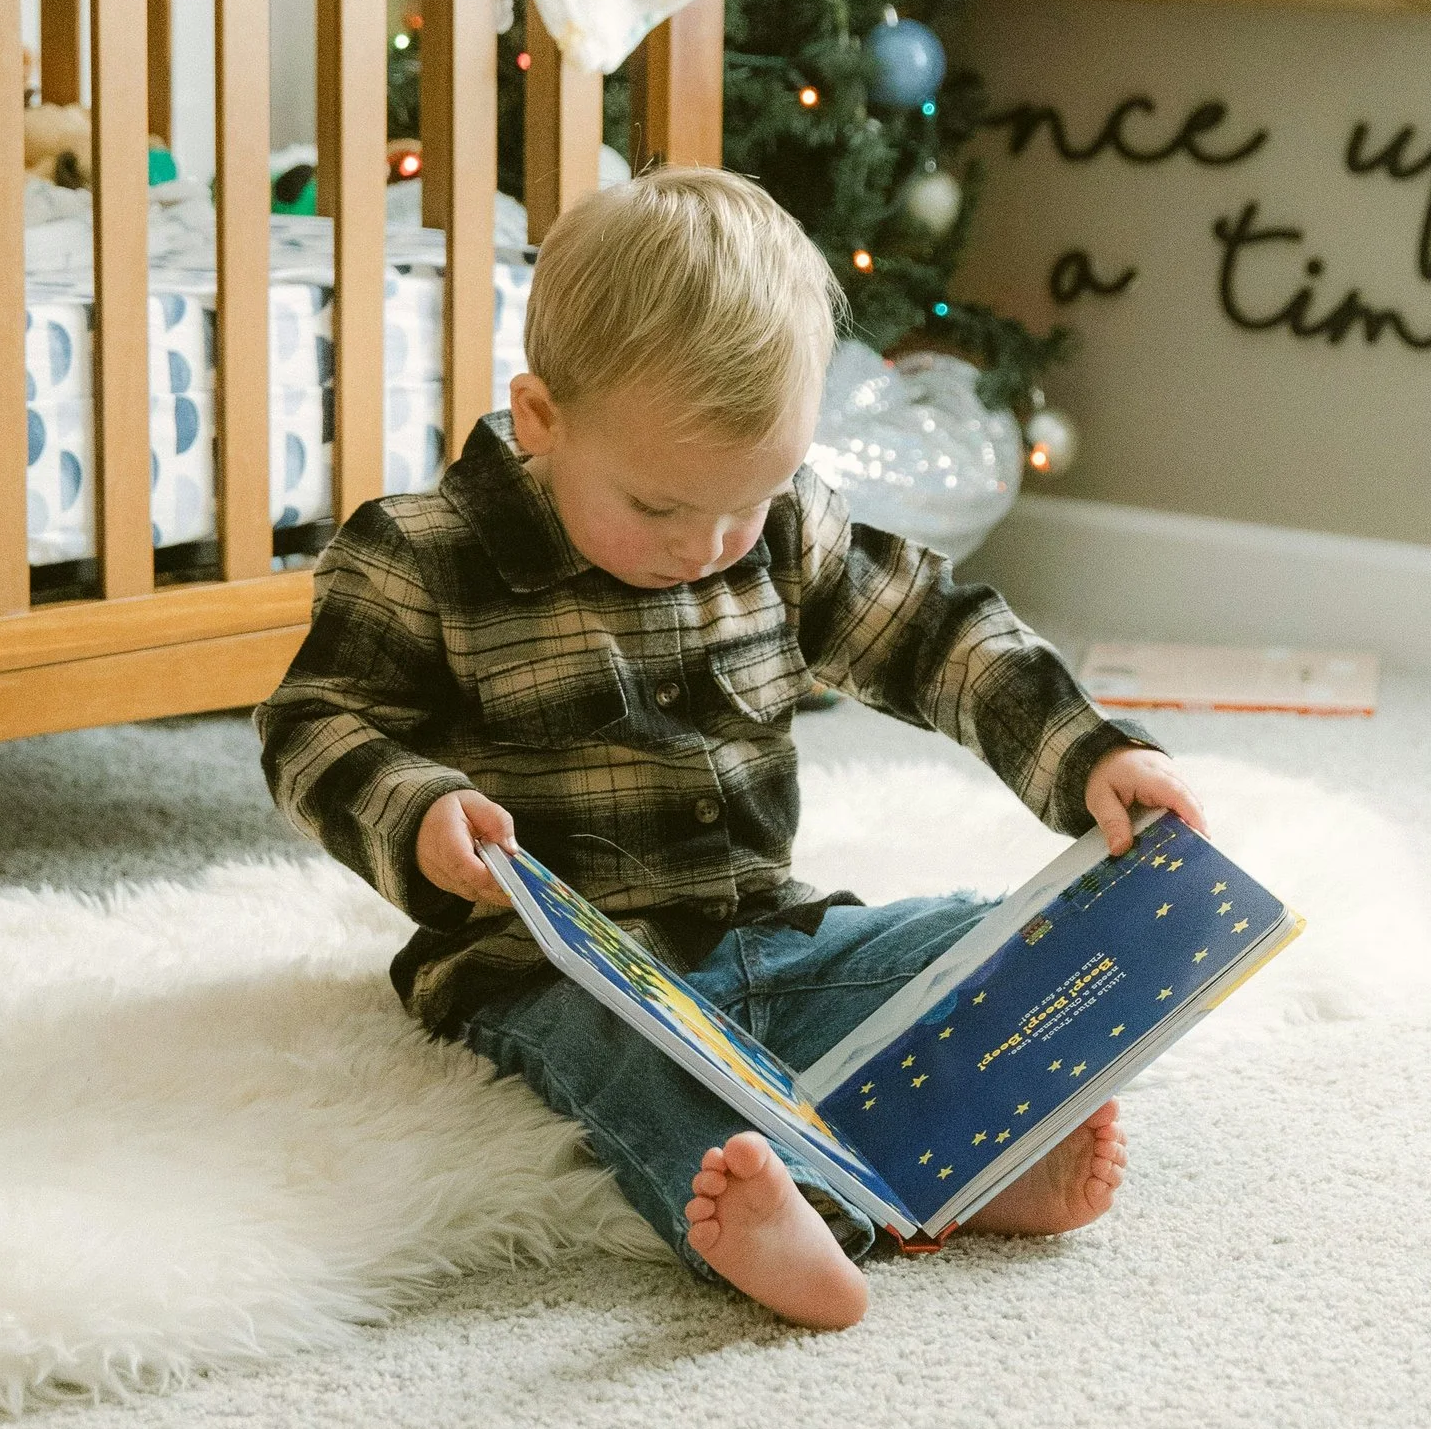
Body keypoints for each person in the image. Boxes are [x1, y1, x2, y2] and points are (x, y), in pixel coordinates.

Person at [258, 169, 1201, 1333]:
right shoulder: (422, 555)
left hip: (772, 937)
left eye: (744, 503)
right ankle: (783, 1207)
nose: (706, 546)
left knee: (998, 940)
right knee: (632, 1068)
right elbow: (316, 723)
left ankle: (969, 1165)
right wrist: (413, 809)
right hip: (551, 972)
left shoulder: (785, 527)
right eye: (659, 509)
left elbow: (935, 635)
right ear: (543, 418)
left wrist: (1088, 755)